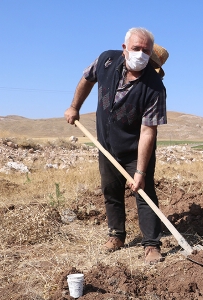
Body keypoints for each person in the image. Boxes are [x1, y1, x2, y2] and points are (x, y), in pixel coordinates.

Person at [64, 27, 169, 265]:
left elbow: (148, 131)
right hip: (107, 144)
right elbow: (86, 79)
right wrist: (74, 106)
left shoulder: (155, 88)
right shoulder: (106, 60)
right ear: (125, 49)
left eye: (146, 51)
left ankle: (151, 244)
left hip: (136, 150)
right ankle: (117, 235)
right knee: (111, 190)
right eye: (136, 49)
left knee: (143, 193)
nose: (141, 54)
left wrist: (140, 171)